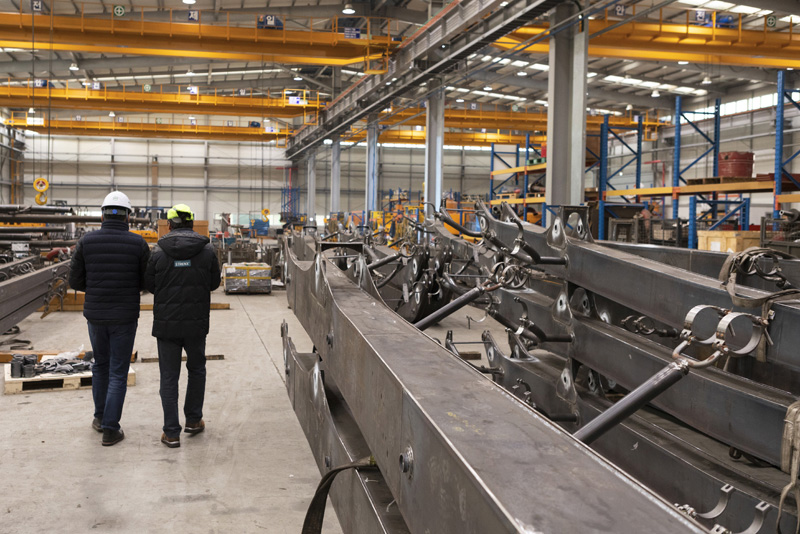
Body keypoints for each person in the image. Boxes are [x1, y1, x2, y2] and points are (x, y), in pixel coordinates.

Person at [69, 191, 150, 446]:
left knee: (100, 366)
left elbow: (74, 280)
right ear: (128, 216)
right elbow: (147, 282)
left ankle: (100, 418)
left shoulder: (87, 241)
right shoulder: (138, 244)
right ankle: (110, 429)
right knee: (117, 371)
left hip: (96, 316)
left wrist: (96, 289)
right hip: (125, 317)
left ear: (103, 214)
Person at [144, 204, 220, 448]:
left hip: (167, 325)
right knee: (197, 370)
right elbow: (214, 283)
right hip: (196, 323)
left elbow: (150, 284)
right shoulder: (206, 250)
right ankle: (194, 420)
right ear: (191, 223)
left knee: (169, 376)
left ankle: (171, 432)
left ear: (169, 225)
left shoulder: (158, 251)